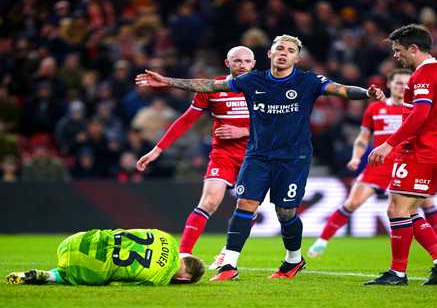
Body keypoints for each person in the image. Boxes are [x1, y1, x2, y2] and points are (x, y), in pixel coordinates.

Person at [135, 34, 385, 281]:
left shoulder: (308, 81)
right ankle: (229, 265)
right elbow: (211, 85)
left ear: (297, 58)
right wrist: (167, 81)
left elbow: (340, 90)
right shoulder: (253, 81)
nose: (284, 53)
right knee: (245, 204)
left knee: (285, 213)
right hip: (257, 156)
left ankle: (293, 259)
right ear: (270, 54)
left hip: (293, 158)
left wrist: (366, 93)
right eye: (279, 49)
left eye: (290, 50)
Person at [308, 69, 437, 257]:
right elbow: (362, 138)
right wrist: (356, 157)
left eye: (406, 84)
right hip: (379, 166)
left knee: (427, 204)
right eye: (398, 83)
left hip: (407, 164)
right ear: (389, 84)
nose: (402, 87)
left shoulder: (417, 109)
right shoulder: (375, 108)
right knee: (351, 203)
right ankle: (321, 241)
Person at [136, 46, 255, 260]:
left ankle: (227, 254)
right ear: (228, 63)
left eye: (247, 61)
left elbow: (280, 123)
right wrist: (157, 150)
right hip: (224, 154)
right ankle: (184, 256)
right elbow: (185, 121)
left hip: (257, 155)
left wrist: (244, 130)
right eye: (237, 61)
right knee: (209, 202)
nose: (242, 65)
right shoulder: (213, 88)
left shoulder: (264, 88)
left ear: (254, 64)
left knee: (248, 207)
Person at [365, 24, 437, 286]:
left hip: (420, 151)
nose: (397, 57)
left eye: (398, 51)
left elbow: (420, 114)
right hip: (436, 149)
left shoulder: (422, 76)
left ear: (414, 49)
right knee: (405, 210)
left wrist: (389, 145)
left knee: (397, 210)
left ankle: (397, 273)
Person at [6, 228, 205, 286]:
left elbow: (129, 231)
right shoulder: (159, 279)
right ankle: (49, 276)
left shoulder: (166, 237)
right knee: (99, 274)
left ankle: (44, 274)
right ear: (184, 279)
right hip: (90, 267)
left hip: (76, 239)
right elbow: (118, 284)